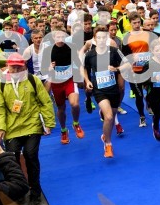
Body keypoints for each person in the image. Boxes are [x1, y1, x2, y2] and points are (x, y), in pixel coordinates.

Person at [0, 54, 56, 205]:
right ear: (8, 66)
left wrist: (48, 122)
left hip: (32, 124)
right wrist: (0, 128)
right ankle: (19, 191)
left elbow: (44, 102)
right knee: (12, 158)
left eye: (19, 66)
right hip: (12, 128)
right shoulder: (1, 84)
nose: (16, 69)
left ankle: (35, 192)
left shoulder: (33, 80)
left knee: (30, 155)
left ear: (24, 66)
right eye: (13, 66)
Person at [82, 26, 131, 159]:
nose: (102, 40)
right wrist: (87, 81)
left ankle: (105, 134)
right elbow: (84, 69)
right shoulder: (90, 54)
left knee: (111, 117)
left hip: (113, 90)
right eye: (99, 38)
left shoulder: (114, 51)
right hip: (99, 90)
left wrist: (116, 68)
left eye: (104, 37)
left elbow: (127, 63)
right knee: (109, 117)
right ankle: (108, 144)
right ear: (95, 39)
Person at [45, 26, 85, 144]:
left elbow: (78, 64)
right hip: (56, 83)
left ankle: (76, 124)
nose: (60, 39)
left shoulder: (71, 48)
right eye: (58, 36)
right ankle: (63, 130)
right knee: (61, 109)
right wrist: (49, 68)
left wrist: (82, 78)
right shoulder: (48, 50)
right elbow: (45, 69)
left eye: (62, 36)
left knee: (75, 104)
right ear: (53, 37)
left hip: (69, 80)